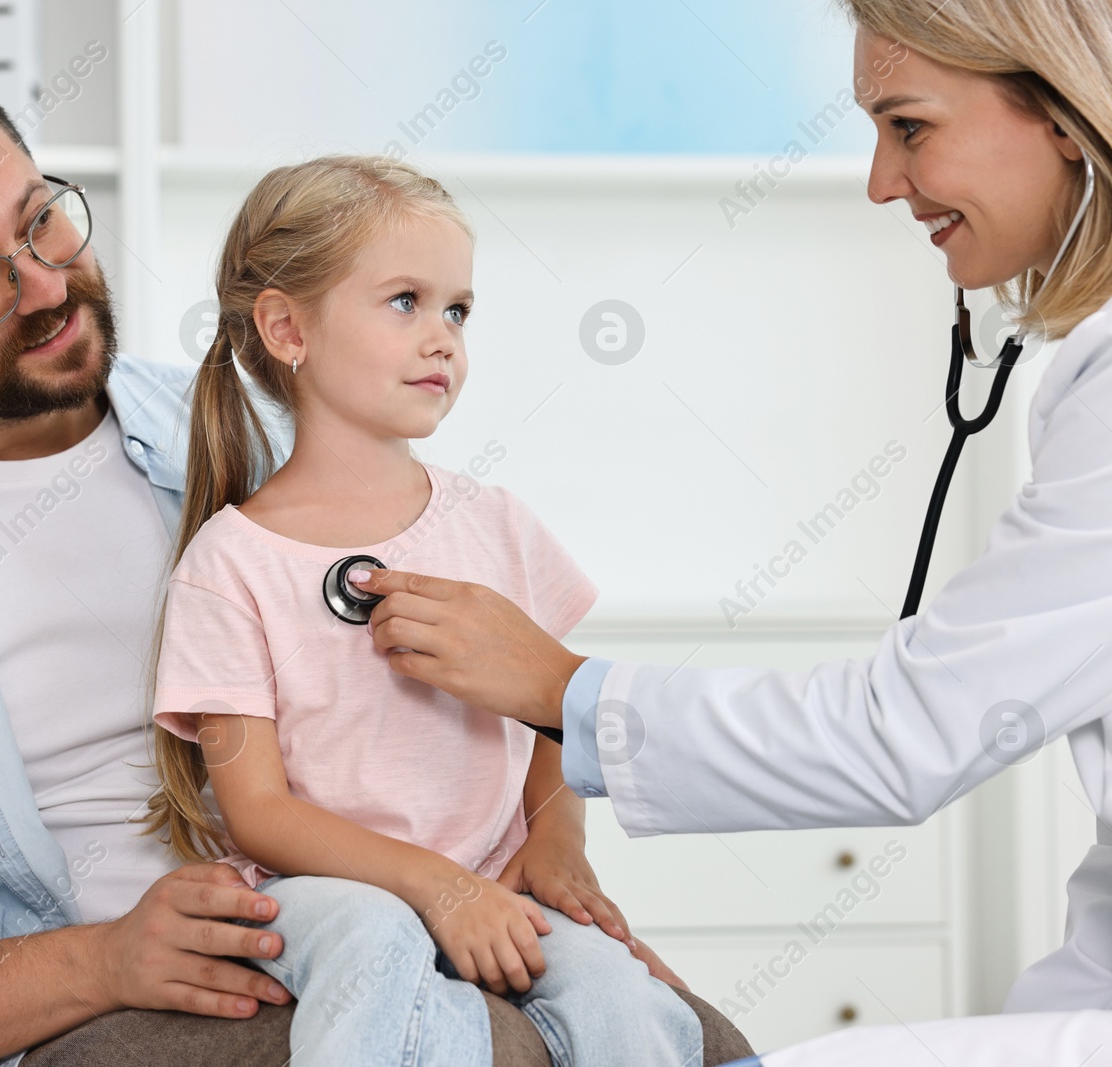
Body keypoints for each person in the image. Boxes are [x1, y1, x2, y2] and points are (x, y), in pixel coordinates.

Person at [0, 57, 751, 1067]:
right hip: (134, 1000)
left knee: (684, 1035)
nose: (46, 286)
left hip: (397, 905)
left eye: (42, 222)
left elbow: (481, 697)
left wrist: (530, 863)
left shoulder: (264, 429)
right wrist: (99, 960)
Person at [353, 0, 1112, 1063]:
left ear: (1068, 113)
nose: (881, 181)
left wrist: (560, 688)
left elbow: (911, 730)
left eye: (908, 126)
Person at [144, 155, 707, 1066]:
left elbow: (549, 708)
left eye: (458, 309)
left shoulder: (494, 524)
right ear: (288, 327)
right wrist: (438, 891)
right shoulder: (231, 563)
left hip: (490, 877)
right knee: (376, 940)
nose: (444, 337)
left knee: (615, 993)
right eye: (405, 301)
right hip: (324, 890)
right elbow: (259, 813)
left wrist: (557, 839)